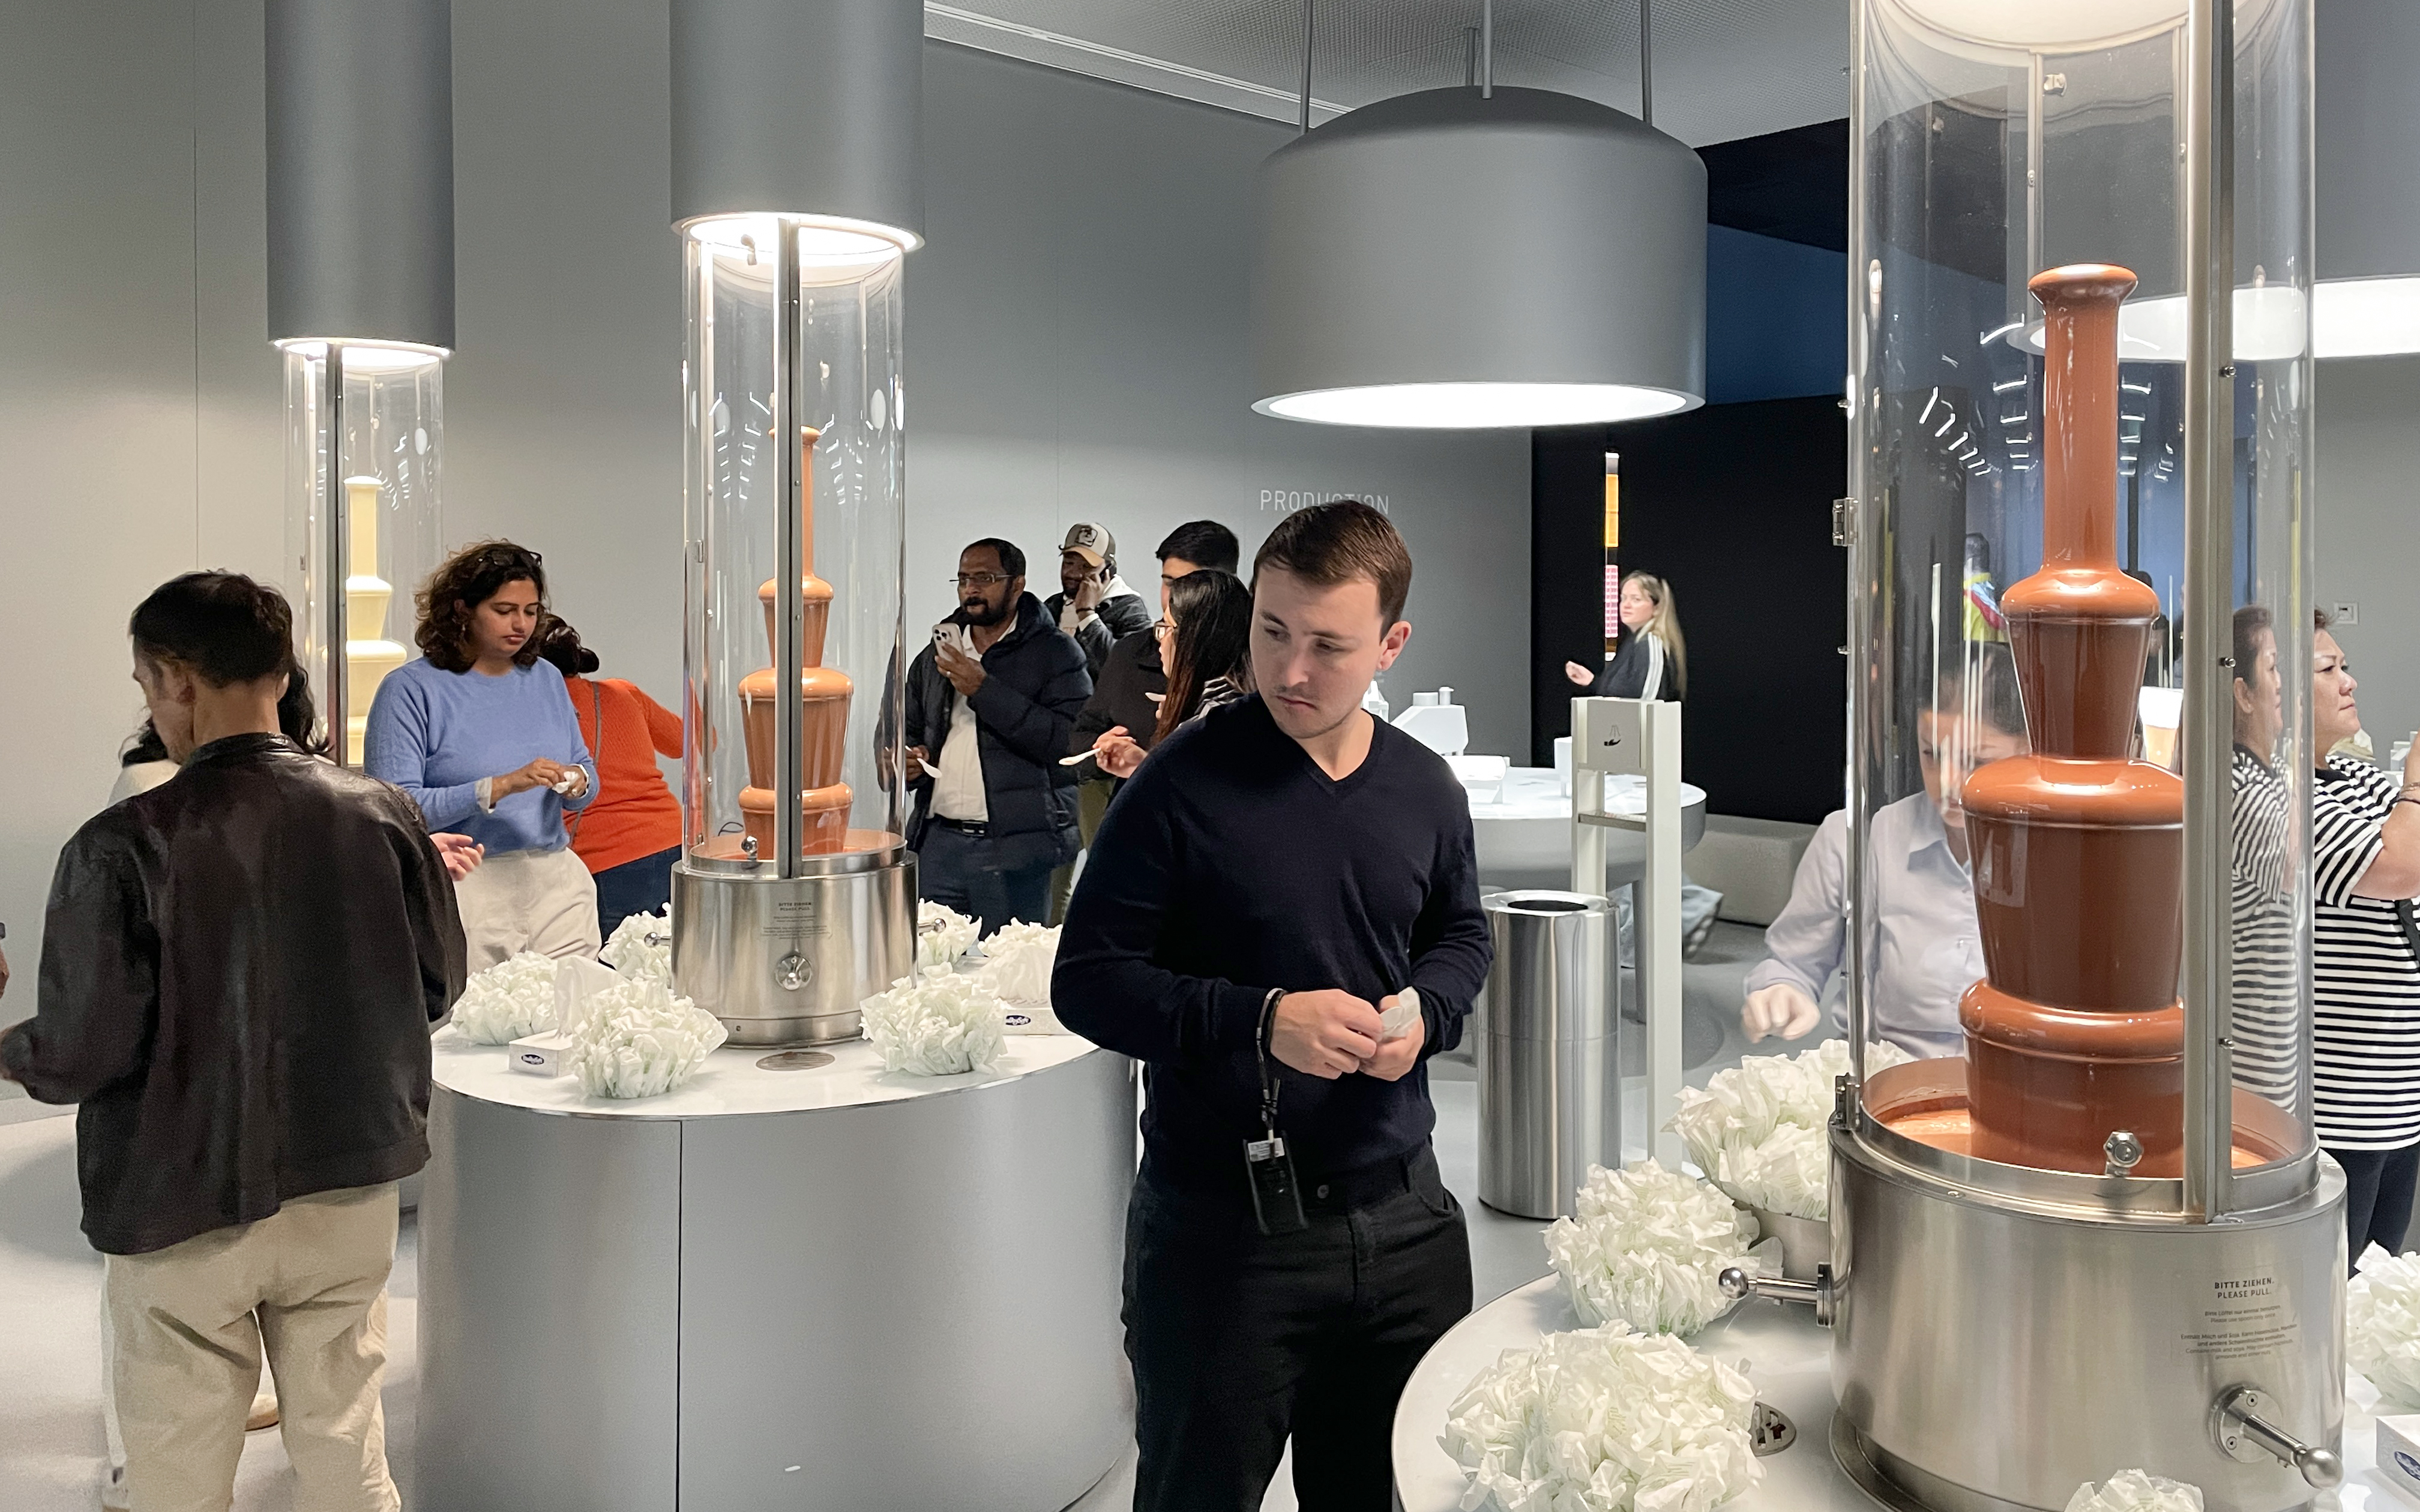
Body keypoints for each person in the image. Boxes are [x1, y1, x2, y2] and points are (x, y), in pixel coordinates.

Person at [1055, 500, 1493, 1511]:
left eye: (1329, 647)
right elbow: (1087, 979)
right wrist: (1261, 1021)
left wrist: (1429, 1009)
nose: (1291, 672)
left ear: (1391, 645)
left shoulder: (1426, 790)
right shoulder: (1179, 782)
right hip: (1222, 1236)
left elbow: (1461, 936)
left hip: (1406, 1221)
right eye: (1272, 633)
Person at [0, 571, 466, 1512]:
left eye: (144, 685)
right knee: (348, 1450)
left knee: (177, 1467)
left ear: (175, 679)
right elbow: (438, 985)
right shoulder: (382, 813)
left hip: (181, 1199)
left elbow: (80, 1052)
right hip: (350, 1181)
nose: (151, 708)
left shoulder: (122, 843)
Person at [1739, 643, 2027, 1058]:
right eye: (1932, 753)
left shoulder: (2068, 857)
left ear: (2030, 750)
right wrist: (1781, 990)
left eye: (1976, 761)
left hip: (2021, 1094)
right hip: (1887, 1088)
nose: (1948, 781)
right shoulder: (1856, 837)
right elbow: (1793, 962)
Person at [366, 540, 600, 970]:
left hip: (555, 880)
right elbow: (394, 811)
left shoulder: (546, 678)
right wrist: (499, 787)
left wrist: (577, 782)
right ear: (461, 610)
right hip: (467, 882)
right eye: (504, 610)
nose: (521, 624)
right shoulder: (410, 690)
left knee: (572, 1021)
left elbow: (583, 767)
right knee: (471, 1029)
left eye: (531, 611)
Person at [1053, 520, 1241, 923]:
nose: (1162, 635)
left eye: (1188, 587)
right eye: (1168, 582)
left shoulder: (1230, 709)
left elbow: (1208, 814)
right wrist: (1137, 763)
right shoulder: (1130, 654)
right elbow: (1083, 733)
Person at [904, 538, 1092, 934]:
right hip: (938, 844)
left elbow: (1070, 743)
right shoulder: (934, 656)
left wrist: (984, 691)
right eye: (964, 579)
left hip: (1015, 849)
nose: (971, 589)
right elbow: (904, 728)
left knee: (1009, 978)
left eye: (985, 578)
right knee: (931, 968)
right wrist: (907, 761)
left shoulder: (1057, 654)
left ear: (1017, 585)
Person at [2307, 613, 2420, 1261]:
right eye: (2328, 671)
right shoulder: (2278, 797)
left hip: (2399, 1102)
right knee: (2333, 1302)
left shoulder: (2356, 781)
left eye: (2345, 667)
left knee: (2376, 1299)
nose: (2350, 683)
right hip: (2338, 1114)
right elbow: (2398, 868)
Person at [532, 615, 684, 938]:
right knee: (676, 967)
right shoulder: (622, 692)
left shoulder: (531, 710)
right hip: (674, 846)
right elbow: (693, 741)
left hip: (606, 863)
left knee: (615, 978)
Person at [2227, 605, 2299, 1114]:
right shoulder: (2242, 787)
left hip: (2273, 1059)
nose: (2284, 684)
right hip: (2253, 1068)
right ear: (2244, 694)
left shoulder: (2267, 777)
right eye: (2273, 669)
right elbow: (2294, 868)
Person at [1091, 568, 1254, 778]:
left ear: (1195, 639)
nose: (1161, 639)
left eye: (1167, 626)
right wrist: (1144, 765)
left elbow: (1193, 801)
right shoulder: (1235, 709)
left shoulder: (1211, 726)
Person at [1044, 521, 1154, 681]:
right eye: (1068, 563)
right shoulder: (1052, 605)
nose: (1073, 573)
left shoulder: (1130, 608)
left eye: (1086, 566)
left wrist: (1087, 614)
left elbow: (1130, 669)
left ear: (1108, 571)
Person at [1564, 569, 1685, 701]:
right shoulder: (1633, 643)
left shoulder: (1650, 643)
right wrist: (1591, 681)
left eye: (1636, 599)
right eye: (1623, 598)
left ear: (1657, 608)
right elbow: (1622, 692)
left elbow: (1645, 700)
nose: (1626, 605)